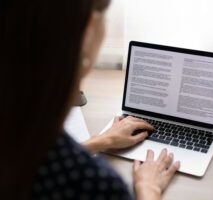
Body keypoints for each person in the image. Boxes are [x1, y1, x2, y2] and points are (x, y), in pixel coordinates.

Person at [0, 0, 180, 199]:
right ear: (89, 30)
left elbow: (33, 158)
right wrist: (148, 188)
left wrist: (101, 140)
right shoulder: (94, 184)